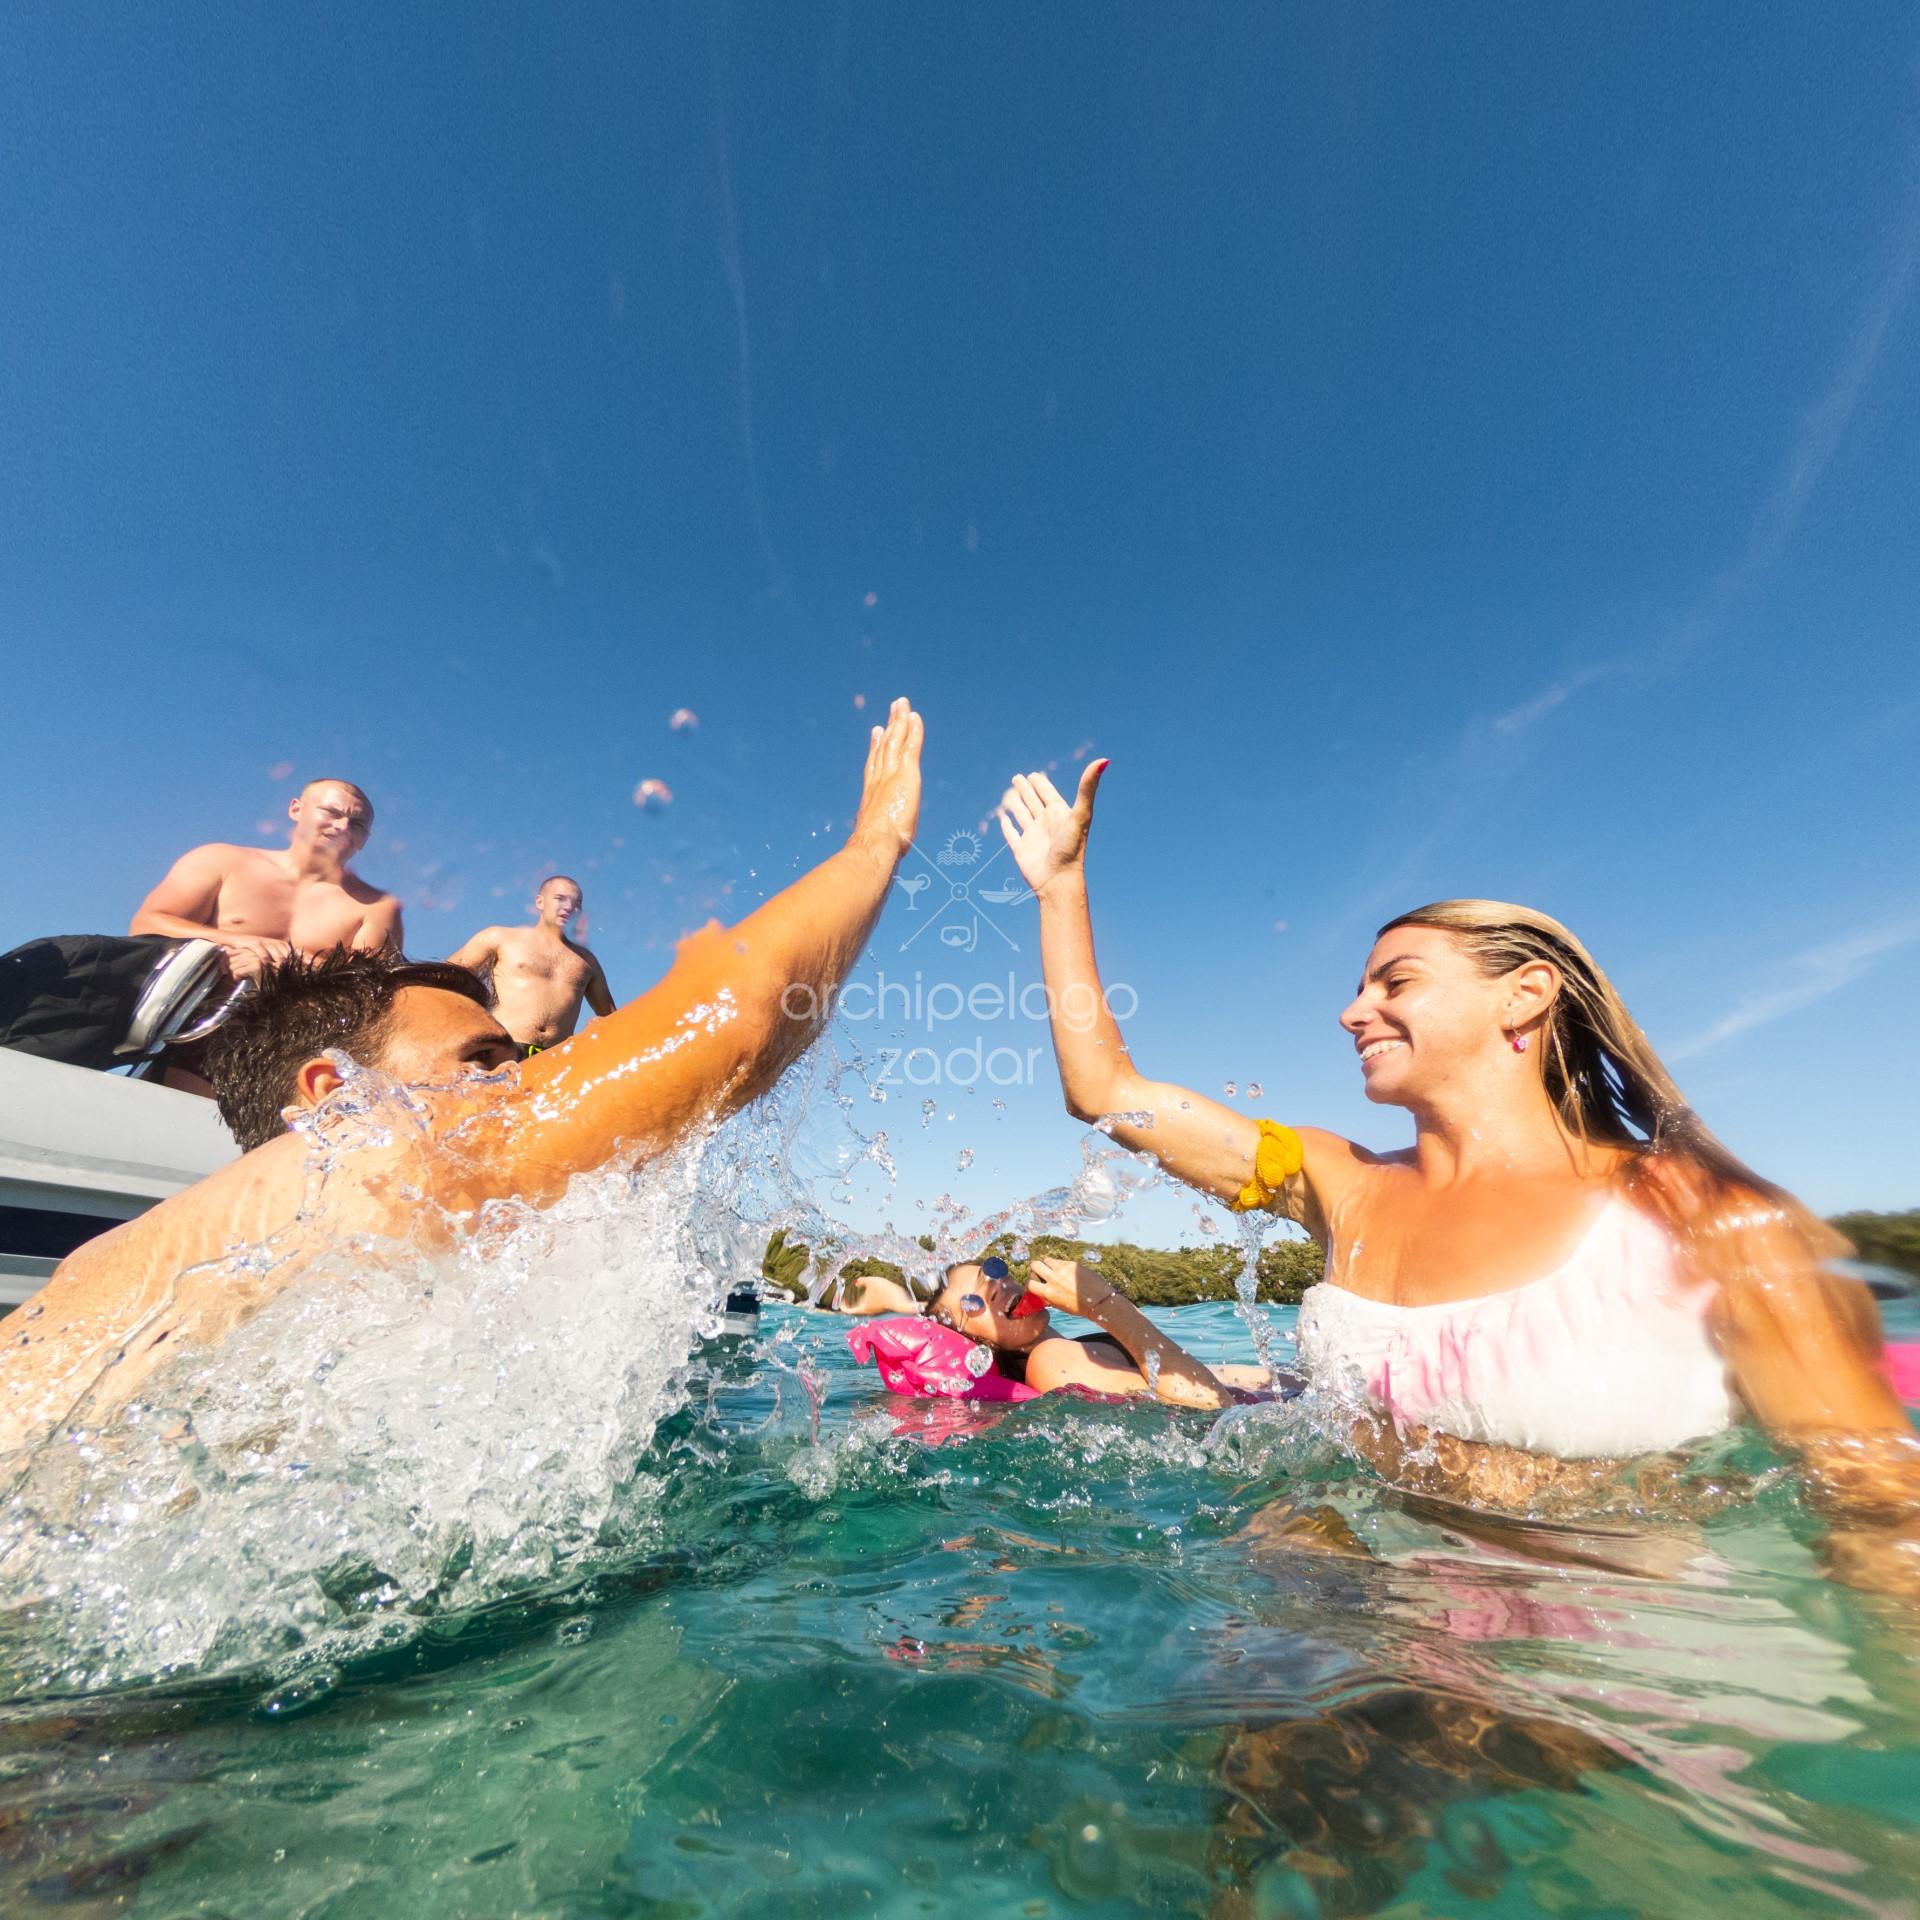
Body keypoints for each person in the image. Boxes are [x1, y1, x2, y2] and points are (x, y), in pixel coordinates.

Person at [996, 758, 1920, 1595]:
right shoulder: (1337, 1185)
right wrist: (1062, 891)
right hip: (1368, 1649)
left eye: (1394, 984)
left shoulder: (1701, 1216)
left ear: (1524, 994)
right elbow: (1106, 1093)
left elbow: (1881, 1514)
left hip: (1629, 1702)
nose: (1353, 1011)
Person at [0, 701, 925, 1456]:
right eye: (479, 1065)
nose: (508, 1091)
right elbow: (738, 1027)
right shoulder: (359, 1172)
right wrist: (876, 840)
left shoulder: (144, 1274)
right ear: (330, 1097)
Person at [130, 777, 403, 979]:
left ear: (364, 840)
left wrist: (288, 968)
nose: (343, 826)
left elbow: (371, 988)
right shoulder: (220, 860)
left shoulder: (376, 907)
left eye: (357, 824)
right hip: (194, 1032)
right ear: (296, 809)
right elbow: (146, 926)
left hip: (300, 1043)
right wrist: (237, 941)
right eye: (332, 812)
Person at [919, 1254, 1276, 1408]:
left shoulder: (1070, 1347)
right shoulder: (1051, 1361)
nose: (995, 1287)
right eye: (973, 1304)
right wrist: (1101, 1304)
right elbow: (1208, 1406)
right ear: (975, 1345)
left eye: (992, 1271)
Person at [448, 876, 616, 1051]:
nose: (568, 907)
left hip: (556, 1058)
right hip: (504, 1052)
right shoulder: (501, 938)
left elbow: (611, 1016)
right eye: (560, 898)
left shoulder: (586, 961)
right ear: (540, 902)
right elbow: (444, 978)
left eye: (576, 903)